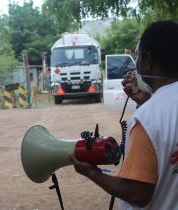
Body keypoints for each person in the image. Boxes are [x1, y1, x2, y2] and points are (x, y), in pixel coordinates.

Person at [69, 20, 178, 210]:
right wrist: (145, 101)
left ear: (148, 61)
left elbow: (138, 193)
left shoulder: (148, 117)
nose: (136, 65)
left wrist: (93, 173)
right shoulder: (152, 110)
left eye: (138, 57)